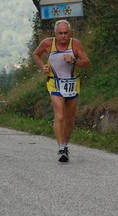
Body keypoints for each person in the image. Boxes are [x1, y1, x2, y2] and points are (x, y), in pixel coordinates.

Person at [32, 19, 90, 162]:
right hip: (55, 83)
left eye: (66, 33)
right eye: (60, 33)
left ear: (69, 33)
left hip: (72, 83)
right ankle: (61, 147)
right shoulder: (47, 43)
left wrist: (74, 61)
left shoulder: (75, 44)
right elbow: (35, 54)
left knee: (70, 119)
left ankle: (65, 144)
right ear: (55, 33)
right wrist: (42, 67)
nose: (63, 36)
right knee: (59, 116)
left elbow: (87, 63)